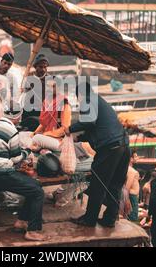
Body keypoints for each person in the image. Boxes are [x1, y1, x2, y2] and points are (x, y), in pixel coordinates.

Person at [64, 80, 131, 228]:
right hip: (124, 146)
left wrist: (70, 128)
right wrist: (79, 138)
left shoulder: (88, 99)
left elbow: (88, 121)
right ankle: (109, 219)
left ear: (79, 94)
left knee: (97, 184)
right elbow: (96, 128)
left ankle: (89, 219)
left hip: (110, 149)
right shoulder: (99, 101)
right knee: (115, 185)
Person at [0, 103, 46, 242]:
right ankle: (33, 231)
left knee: (34, 186)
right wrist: (28, 150)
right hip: (2, 173)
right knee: (38, 192)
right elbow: (16, 158)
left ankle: (21, 221)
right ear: (18, 116)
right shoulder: (11, 131)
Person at [30, 76, 70, 152]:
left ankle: (40, 147)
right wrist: (34, 133)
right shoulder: (47, 100)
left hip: (59, 141)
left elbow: (65, 129)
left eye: (53, 86)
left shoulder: (63, 102)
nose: (49, 89)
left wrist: (45, 134)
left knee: (36, 138)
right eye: (48, 86)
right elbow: (43, 124)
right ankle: (43, 149)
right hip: (47, 138)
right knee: (25, 135)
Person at [21, 53, 50, 131]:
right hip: (29, 111)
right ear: (35, 67)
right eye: (40, 67)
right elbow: (23, 90)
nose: (43, 69)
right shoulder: (29, 77)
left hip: (42, 111)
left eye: (45, 67)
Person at [125, 153, 140, 221]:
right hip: (131, 197)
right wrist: (127, 200)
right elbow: (127, 187)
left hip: (131, 196)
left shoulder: (128, 169)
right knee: (133, 219)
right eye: (136, 156)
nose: (137, 158)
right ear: (131, 159)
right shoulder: (131, 171)